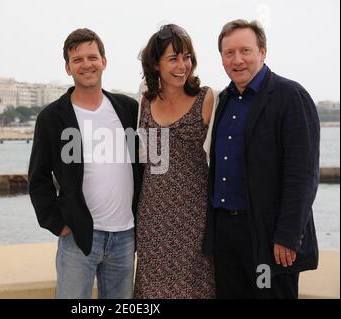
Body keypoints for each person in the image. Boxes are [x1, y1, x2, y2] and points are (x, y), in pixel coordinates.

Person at [203, 19, 320, 299]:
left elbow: (302, 175)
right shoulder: (225, 100)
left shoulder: (291, 97)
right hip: (227, 237)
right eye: (229, 53)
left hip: (268, 239)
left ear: (263, 52)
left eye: (245, 50)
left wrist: (288, 236)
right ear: (221, 58)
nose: (237, 59)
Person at [28, 28, 141, 299]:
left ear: (104, 61)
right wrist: (58, 224)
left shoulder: (128, 109)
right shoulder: (52, 117)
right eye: (77, 59)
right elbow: (38, 178)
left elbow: (145, 165)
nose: (86, 64)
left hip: (125, 236)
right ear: (68, 68)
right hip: (78, 237)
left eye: (92, 57)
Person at [134, 24, 215, 299]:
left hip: (195, 216)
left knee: (195, 289)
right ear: (156, 64)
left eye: (187, 57)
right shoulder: (144, 102)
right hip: (152, 217)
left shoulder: (206, 98)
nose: (182, 65)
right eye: (173, 58)